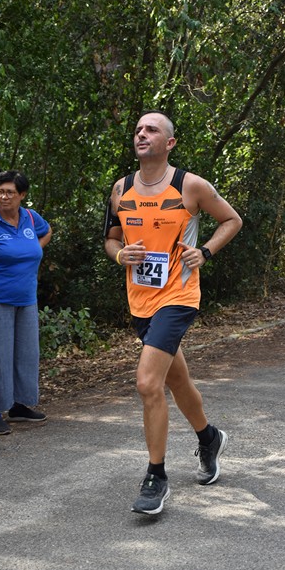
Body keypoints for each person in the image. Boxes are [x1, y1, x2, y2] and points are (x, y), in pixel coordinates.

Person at [104, 110, 242, 515]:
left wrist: (206, 251)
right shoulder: (121, 189)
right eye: (138, 129)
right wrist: (120, 255)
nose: (142, 134)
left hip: (179, 296)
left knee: (148, 384)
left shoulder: (191, 186)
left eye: (152, 129)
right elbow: (111, 240)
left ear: (170, 143)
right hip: (139, 302)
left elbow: (232, 220)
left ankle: (156, 476)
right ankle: (209, 437)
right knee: (177, 381)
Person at [0, 170, 52, 435]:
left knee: (26, 355)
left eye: (10, 192)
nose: (4, 197)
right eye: (0, 191)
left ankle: (18, 405)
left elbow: (47, 231)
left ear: (22, 195)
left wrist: (36, 248)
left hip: (27, 299)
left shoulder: (30, 217)